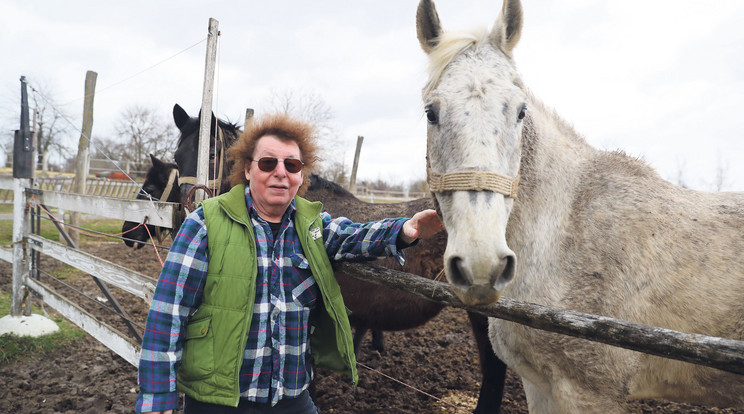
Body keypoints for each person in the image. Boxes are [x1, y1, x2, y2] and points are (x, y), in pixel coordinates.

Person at [135, 112, 444, 414]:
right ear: (247, 170)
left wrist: (406, 230)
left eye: (292, 164)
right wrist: (157, 395)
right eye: (268, 163)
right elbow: (168, 312)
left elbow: (356, 235)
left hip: (291, 396)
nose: (280, 172)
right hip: (219, 400)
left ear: (301, 175)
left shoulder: (311, 226)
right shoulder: (205, 223)